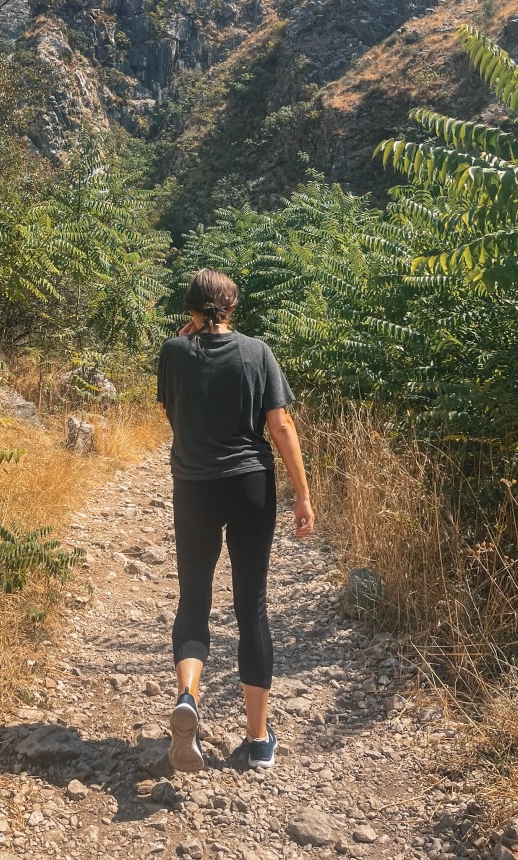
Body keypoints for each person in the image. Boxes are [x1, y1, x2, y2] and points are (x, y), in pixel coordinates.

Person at [157, 268, 314, 771]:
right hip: (250, 485)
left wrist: (185, 338)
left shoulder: (172, 353)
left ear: (190, 310)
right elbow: (281, 424)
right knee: (251, 606)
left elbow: (175, 414)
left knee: (194, 599)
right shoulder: (257, 351)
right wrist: (302, 495)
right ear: (233, 308)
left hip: (194, 487)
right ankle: (258, 739)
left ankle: (187, 697)